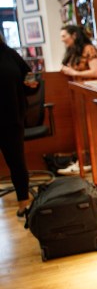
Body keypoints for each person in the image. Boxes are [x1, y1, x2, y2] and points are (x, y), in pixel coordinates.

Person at [0, 31, 39, 216]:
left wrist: (32, 84)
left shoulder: (9, 54)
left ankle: (24, 202)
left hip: (11, 117)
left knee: (16, 162)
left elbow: (29, 78)